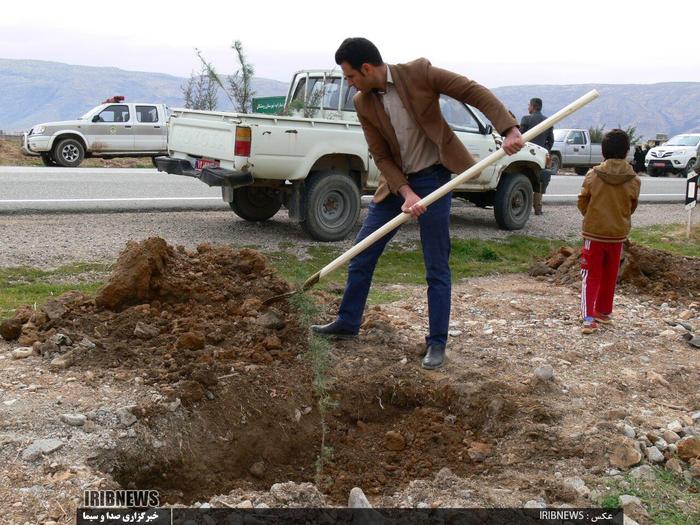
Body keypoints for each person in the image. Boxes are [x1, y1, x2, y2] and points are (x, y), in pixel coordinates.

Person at [311, 37, 524, 369]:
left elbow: (473, 91)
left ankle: (437, 343)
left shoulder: (419, 73)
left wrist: (509, 128)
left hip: (437, 179)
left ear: (366, 68)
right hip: (396, 185)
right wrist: (406, 192)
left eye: (350, 76)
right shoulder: (362, 102)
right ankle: (348, 322)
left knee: (436, 265)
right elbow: (380, 154)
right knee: (362, 254)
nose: (349, 83)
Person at [577, 129, 641, 334]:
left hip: (594, 233)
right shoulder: (634, 179)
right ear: (626, 152)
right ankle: (603, 311)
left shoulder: (592, 174)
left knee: (590, 276)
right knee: (610, 274)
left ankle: (588, 318)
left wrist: (591, 215)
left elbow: (582, 201)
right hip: (617, 234)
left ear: (603, 152)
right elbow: (632, 205)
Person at [520, 98, 554, 215]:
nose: (528, 107)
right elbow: (551, 140)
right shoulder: (547, 121)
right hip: (541, 156)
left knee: (522, 179)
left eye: (529, 105)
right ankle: (538, 209)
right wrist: (545, 150)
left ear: (533, 106)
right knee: (540, 182)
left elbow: (520, 137)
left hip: (525, 155)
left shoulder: (526, 119)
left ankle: (522, 207)